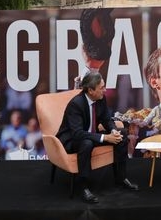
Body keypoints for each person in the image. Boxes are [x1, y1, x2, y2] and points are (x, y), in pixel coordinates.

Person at [56, 71, 138, 203]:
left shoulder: (100, 98)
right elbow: (77, 134)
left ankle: (121, 178)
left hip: (91, 136)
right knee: (86, 143)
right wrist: (105, 138)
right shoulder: (76, 104)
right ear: (90, 90)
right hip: (72, 140)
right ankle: (84, 187)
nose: (105, 90)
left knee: (121, 134)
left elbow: (106, 119)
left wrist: (113, 131)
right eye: (102, 88)